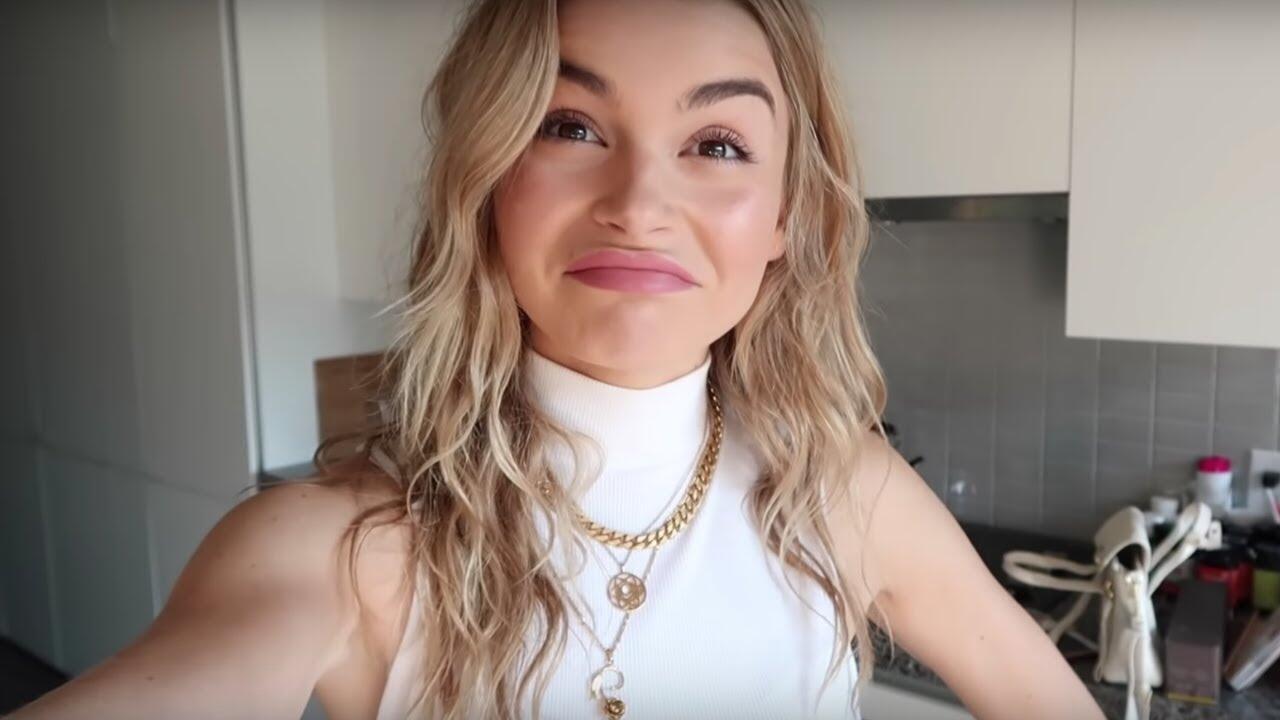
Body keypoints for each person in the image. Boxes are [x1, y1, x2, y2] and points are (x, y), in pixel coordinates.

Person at [9, 0, 1104, 718]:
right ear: (487, 178)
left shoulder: (844, 496)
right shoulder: (345, 550)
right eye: (569, 126)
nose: (639, 203)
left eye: (717, 144)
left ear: (784, 217)